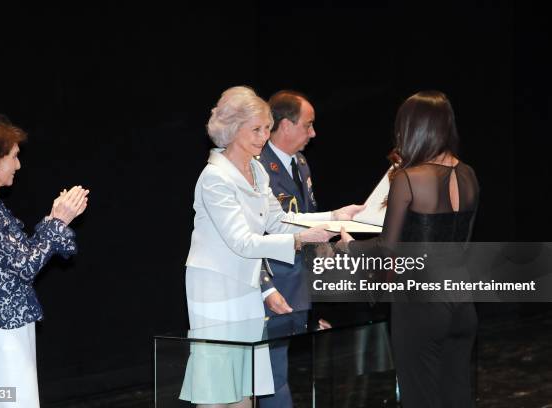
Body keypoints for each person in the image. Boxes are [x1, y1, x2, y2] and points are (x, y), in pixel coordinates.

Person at [179, 86, 363, 407]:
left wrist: (334, 217)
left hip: (247, 287)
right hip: (216, 289)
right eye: (256, 129)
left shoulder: (257, 170)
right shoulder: (214, 178)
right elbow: (242, 241)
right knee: (219, 389)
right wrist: (298, 240)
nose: (264, 136)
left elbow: (279, 220)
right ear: (233, 129)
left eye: (266, 128)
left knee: (247, 389)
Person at [337, 90, 479, 407]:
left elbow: (388, 248)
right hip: (462, 302)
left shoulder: (409, 178)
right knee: (457, 396)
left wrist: (349, 246)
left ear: (414, 127)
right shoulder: (468, 173)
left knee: (420, 397)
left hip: (421, 306)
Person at [0, 113, 89, 408]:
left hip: (6, 327)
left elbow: (21, 255)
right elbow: (26, 265)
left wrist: (55, 220)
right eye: (14, 156)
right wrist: (59, 222)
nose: (18, 164)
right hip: (2, 330)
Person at [256, 90, 332, 408]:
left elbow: (305, 218)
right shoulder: (256, 167)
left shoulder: (300, 162)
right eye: (308, 125)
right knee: (272, 378)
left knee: (282, 374)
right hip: (273, 289)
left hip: (299, 285)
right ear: (285, 125)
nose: (313, 133)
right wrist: (266, 288)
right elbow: (252, 237)